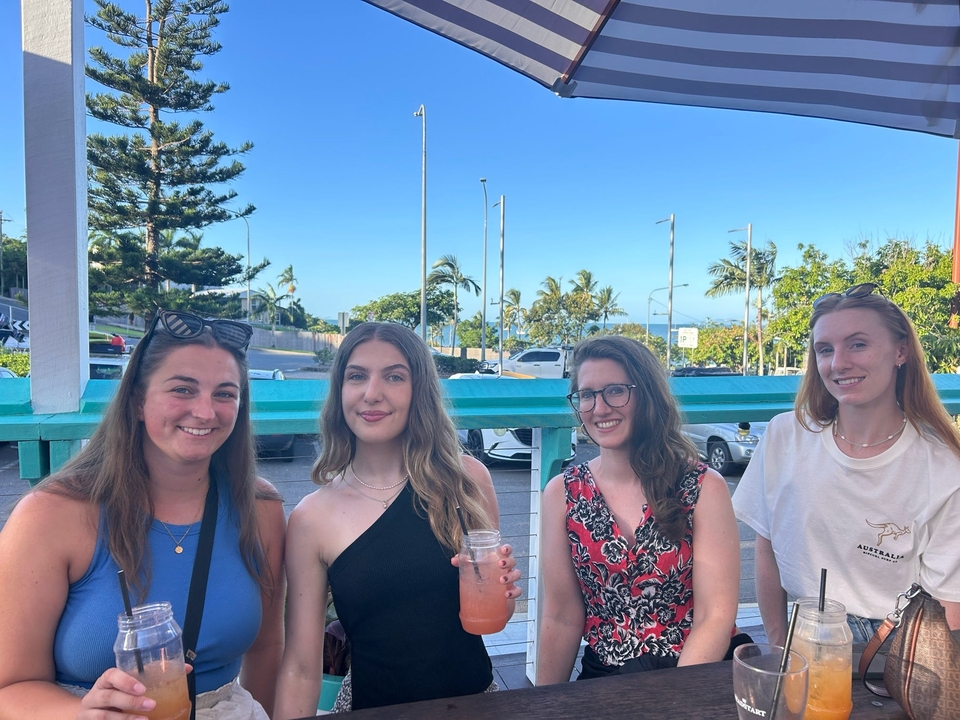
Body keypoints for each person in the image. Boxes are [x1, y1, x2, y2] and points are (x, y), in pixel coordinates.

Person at [0, 310, 286, 719]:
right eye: (183, 390)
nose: (206, 412)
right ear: (137, 400)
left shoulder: (260, 509)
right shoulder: (51, 516)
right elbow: (9, 687)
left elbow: (266, 649)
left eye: (225, 393)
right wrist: (83, 714)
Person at [275, 322, 522, 717]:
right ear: (340, 390)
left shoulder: (468, 480)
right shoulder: (311, 517)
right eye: (357, 376)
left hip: (476, 704)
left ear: (418, 390)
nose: (372, 393)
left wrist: (506, 594)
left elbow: (493, 620)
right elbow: (301, 669)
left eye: (394, 376)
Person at [732, 283, 960, 644]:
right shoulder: (785, 435)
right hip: (806, 627)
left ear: (901, 351)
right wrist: (777, 644)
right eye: (825, 349)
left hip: (901, 639)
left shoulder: (944, 464)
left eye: (858, 344)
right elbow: (767, 545)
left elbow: (948, 602)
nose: (838, 363)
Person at [537, 335, 742, 684]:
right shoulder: (562, 492)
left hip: (693, 670)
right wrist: (541, 706)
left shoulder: (703, 486)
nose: (599, 408)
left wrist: (674, 700)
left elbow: (714, 615)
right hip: (605, 677)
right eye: (587, 395)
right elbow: (562, 617)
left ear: (646, 395)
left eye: (615, 390)